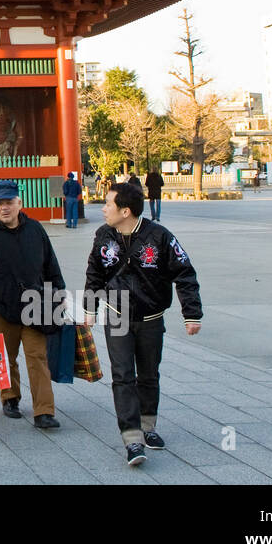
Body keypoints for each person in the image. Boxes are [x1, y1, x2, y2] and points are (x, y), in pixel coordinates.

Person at [84, 181, 203, 467]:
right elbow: (94, 273)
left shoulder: (159, 237)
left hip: (150, 319)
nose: (103, 209)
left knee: (148, 375)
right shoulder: (103, 236)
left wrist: (192, 313)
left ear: (125, 211)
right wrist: (90, 308)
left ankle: (148, 426)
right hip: (117, 316)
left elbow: (184, 273)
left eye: (108, 204)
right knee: (123, 376)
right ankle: (132, 438)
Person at [0, 181, 68, 429]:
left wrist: (59, 291)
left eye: (9, 202)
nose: (4, 208)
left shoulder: (35, 230)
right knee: (6, 357)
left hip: (34, 306)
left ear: (19, 203)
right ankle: (10, 398)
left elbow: (51, 264)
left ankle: (44, 411)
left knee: (37, 357)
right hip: (1, 307)